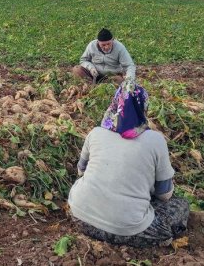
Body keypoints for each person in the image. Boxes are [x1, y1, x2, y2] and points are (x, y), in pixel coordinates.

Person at [68, 79, 189, 248]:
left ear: (115, 103)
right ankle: (160, 239)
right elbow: (164, 195)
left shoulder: (95, 133)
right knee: (181, 205)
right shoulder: (155, 140)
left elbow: (81, 172)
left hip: (80, 217)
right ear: (143, 108)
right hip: (127, 232)